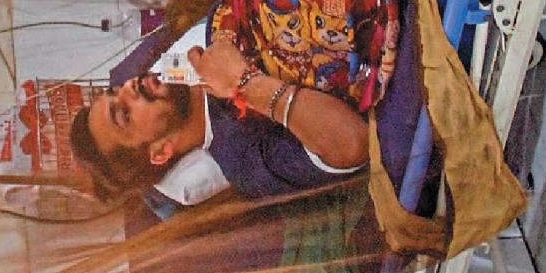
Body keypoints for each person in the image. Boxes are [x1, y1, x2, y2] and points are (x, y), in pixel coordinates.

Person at [69, 34, 368, 205]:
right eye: (124, 113)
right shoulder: (243, 160)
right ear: (160, 151)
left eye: (116, 91)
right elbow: (353, 144)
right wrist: (247, 85)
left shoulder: (193, 51)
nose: (129, 87)